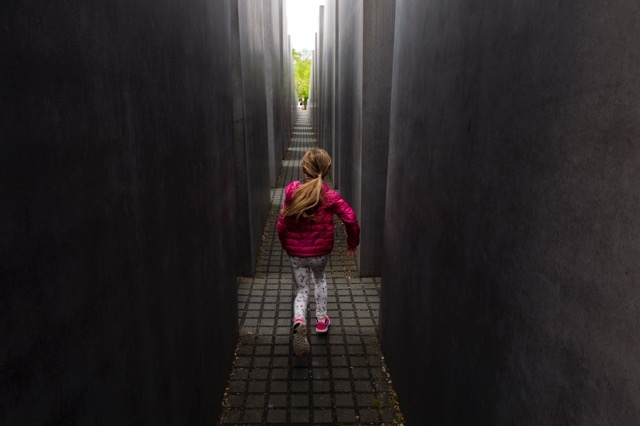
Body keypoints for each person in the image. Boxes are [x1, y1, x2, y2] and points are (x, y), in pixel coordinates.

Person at [276, 148, 360, 356]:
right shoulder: (330, 196)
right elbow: (351, 219)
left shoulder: (292, 191)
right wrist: (352, 242)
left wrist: (286, 245)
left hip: (296, 254)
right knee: (320, 279)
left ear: (304, 168)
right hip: (321, 252)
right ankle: (321, 320)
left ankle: (299, 320)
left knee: (301, 290)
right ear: (327, 170)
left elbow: (281, 224)